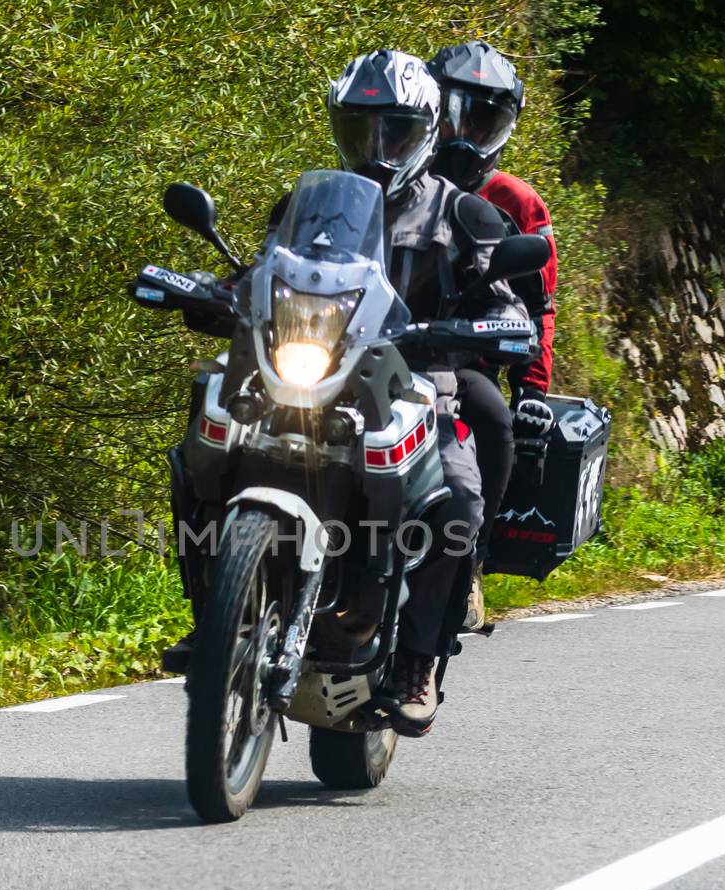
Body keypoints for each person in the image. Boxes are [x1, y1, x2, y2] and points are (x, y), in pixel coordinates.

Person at [162, 50, 534, 736]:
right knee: (201, 437)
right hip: (310, 376)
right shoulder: (310, 207)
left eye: (394, 130)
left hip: (417, 388)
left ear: (427, 130)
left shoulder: (467, 216)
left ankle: (416, 660)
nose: (377, 146)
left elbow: (511, 305)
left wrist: (496, 326)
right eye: (361, 128)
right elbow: (263, 276)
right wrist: (211, 292)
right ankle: (212, 617)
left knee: (460, 497)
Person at [428, 41, 559, 624]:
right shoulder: (383, 174)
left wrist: (532, 388)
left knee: (494, 418)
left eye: (481, 121)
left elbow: (540, 305)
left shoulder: (517, 201)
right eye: (452, 113)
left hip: (464, 357)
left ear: (505, 129)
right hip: (365, 346)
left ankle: (468, 568)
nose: (462, 135)